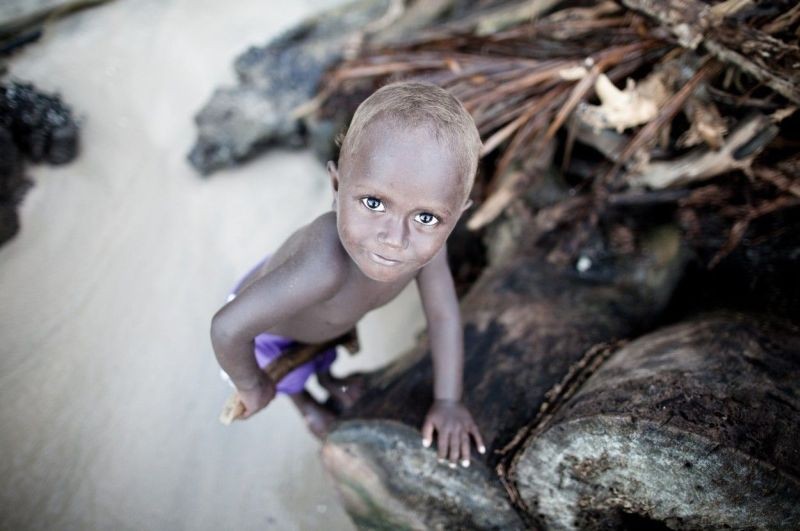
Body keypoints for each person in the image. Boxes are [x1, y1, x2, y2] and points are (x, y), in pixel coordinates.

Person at [210, 81, 486, 467]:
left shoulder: (427, 253)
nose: (395, 238)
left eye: (426, 218)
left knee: (327, 339)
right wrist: (252, 386)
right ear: (337, 186)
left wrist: (448, 401)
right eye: (374, 203)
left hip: (325, 318)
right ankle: (304, 403)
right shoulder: (325, 263)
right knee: (287, 377)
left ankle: (326, 377)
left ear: (454, 219)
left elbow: (443, 316)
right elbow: (227, 328)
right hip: (268, 327)